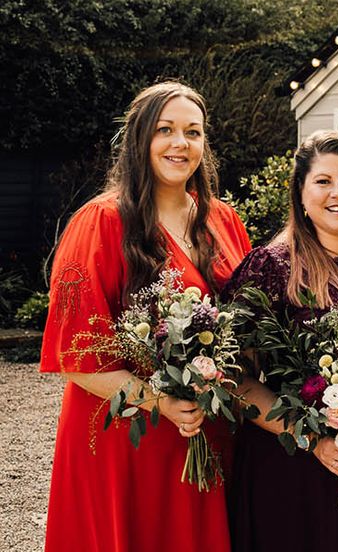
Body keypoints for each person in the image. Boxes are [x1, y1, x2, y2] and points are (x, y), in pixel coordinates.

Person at [40, 81, 251, 552]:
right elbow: (77, 355)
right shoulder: (101, 222)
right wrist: (159, 400)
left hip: (204, 430)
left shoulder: (223, 220)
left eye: (193, 132)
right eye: (166, 130)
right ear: (140, 140)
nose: (181, 143)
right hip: (127, 437)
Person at [224, 131, 338, 552]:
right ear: (301, 196)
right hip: (290, 468)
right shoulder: (271, 267)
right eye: (323, 181)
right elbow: (234, 378)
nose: (337, 193)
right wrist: (313, 440)